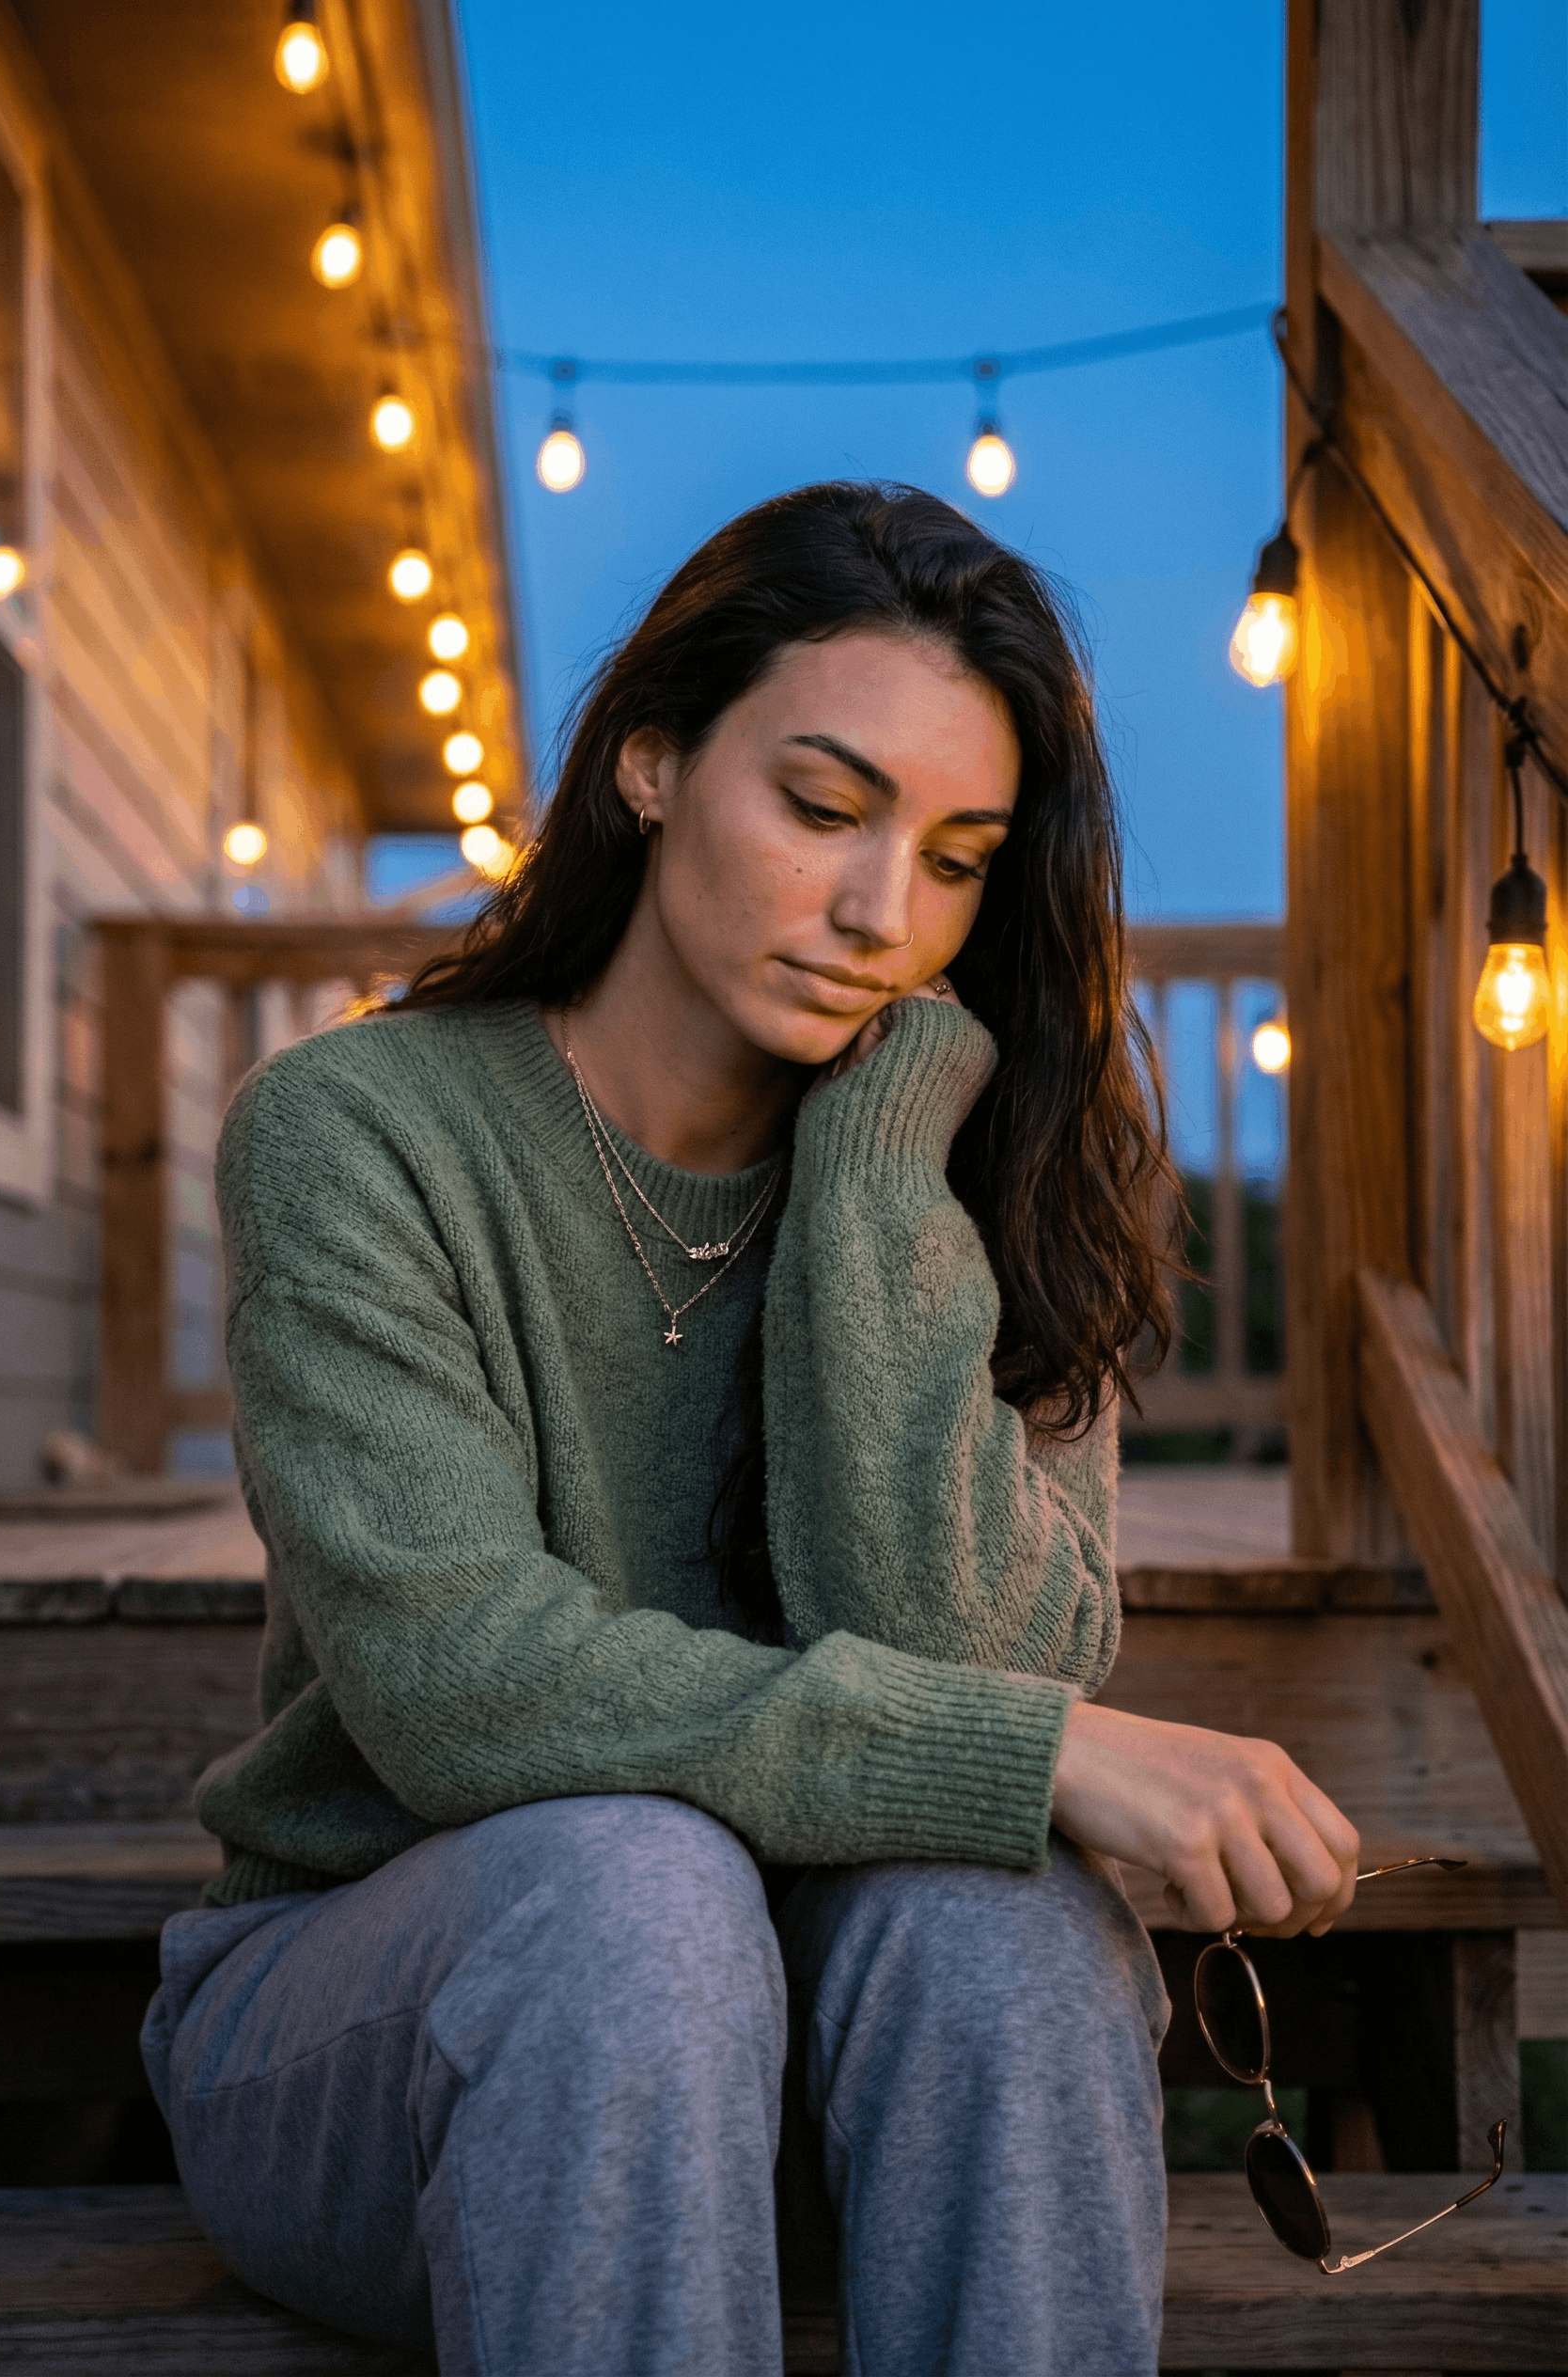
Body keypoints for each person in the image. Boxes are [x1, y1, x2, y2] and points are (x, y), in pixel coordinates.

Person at [141, 481, 1359, 2377]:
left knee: (1005, 1925)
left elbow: (970, 1662)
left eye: (957, 857)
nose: (881, 913)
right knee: (635, 1886)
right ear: (648, 759)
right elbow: (460, 1685)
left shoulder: (998, 1175)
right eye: (820, 808)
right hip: (398, 2037)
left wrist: (877, 1186)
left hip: (838, 2082)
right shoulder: (357, 1132)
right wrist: (1037, 1751)